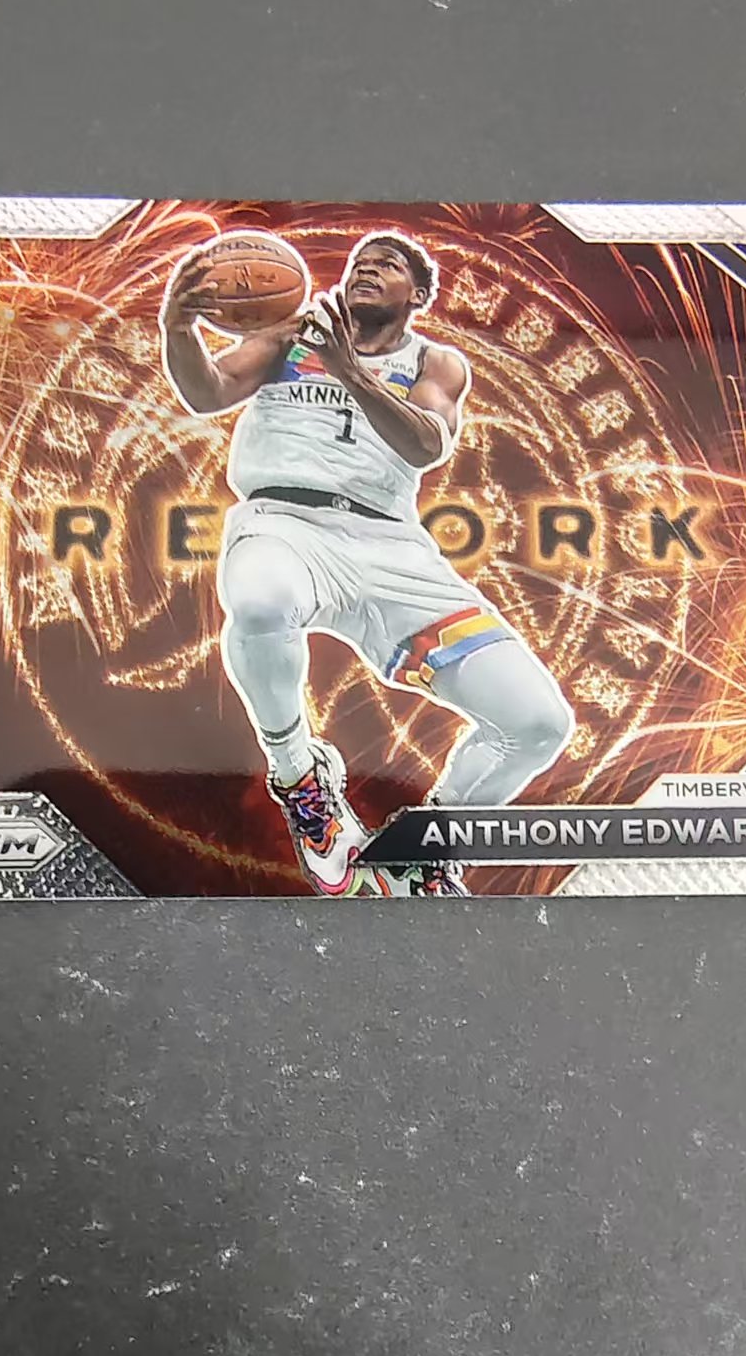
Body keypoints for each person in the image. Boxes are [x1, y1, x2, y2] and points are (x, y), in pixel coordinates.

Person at [160, 231, 573, 896]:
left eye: (387, 265)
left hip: (390, 546)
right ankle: (300, 777)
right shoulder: (292, 335)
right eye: (359, 263)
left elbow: (427, 445)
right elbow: (208, 391)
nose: (366, 270)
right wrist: (177, 328)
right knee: (261, 601)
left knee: (538, 724)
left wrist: (347, 368)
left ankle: (420, 850)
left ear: (419, 294)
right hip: (285, 521)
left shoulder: (436, 362)